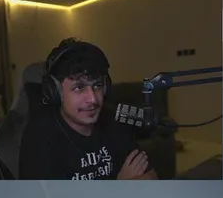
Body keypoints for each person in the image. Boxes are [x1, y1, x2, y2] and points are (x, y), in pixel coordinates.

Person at [18, 38, 156, 180]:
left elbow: (151, 177)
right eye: (79, 88)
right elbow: (46, 196)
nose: (93, 99)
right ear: (56, 92)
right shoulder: (39, 137)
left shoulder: (113, 121)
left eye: (97, 86)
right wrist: (119, 186)